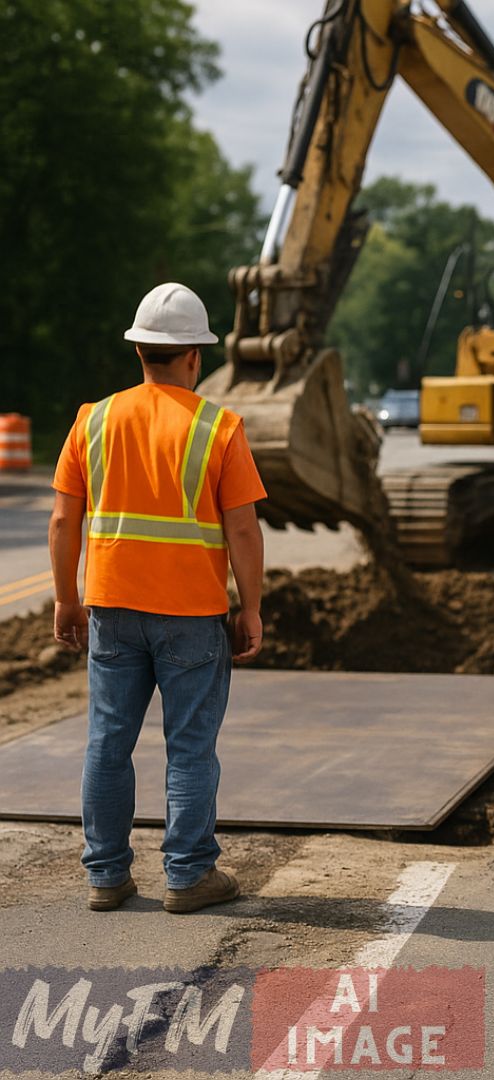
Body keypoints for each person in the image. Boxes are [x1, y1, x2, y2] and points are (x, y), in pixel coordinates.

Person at [49, 282, 268, 914]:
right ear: (196, 355)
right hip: (193, 618)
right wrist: (248, 607)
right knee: (191, 748)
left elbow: (65, 523)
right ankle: (188, 874)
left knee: (107, 741)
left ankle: (107, 875)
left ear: (139, 349)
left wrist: (68, 600)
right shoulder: (219, 427)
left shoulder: (92, 419)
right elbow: (244, 528)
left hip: (113, 611)